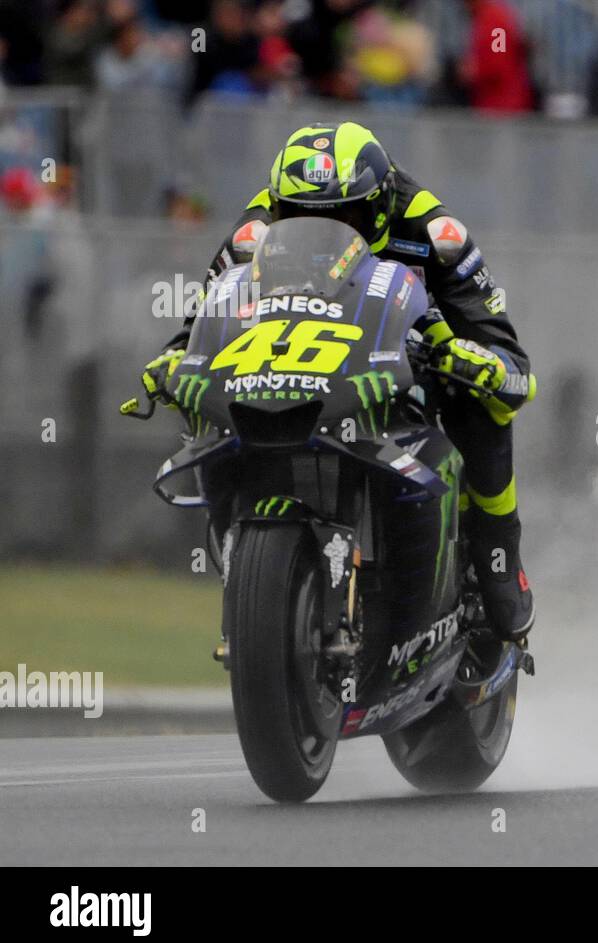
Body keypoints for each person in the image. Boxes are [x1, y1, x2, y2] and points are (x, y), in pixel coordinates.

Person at [140, 122, 536, 641]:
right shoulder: (254, 230)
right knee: (214, 409)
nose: (321, 233)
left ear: (378, 205)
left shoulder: (435, 231)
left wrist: (478, 361)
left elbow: (505, 351)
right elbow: (204, 321)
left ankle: (497, 551)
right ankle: (243, 563)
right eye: (298, 216)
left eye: (344, 217)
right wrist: (174, 359)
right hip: (293, 370)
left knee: (477, 401)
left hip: (401, 367)